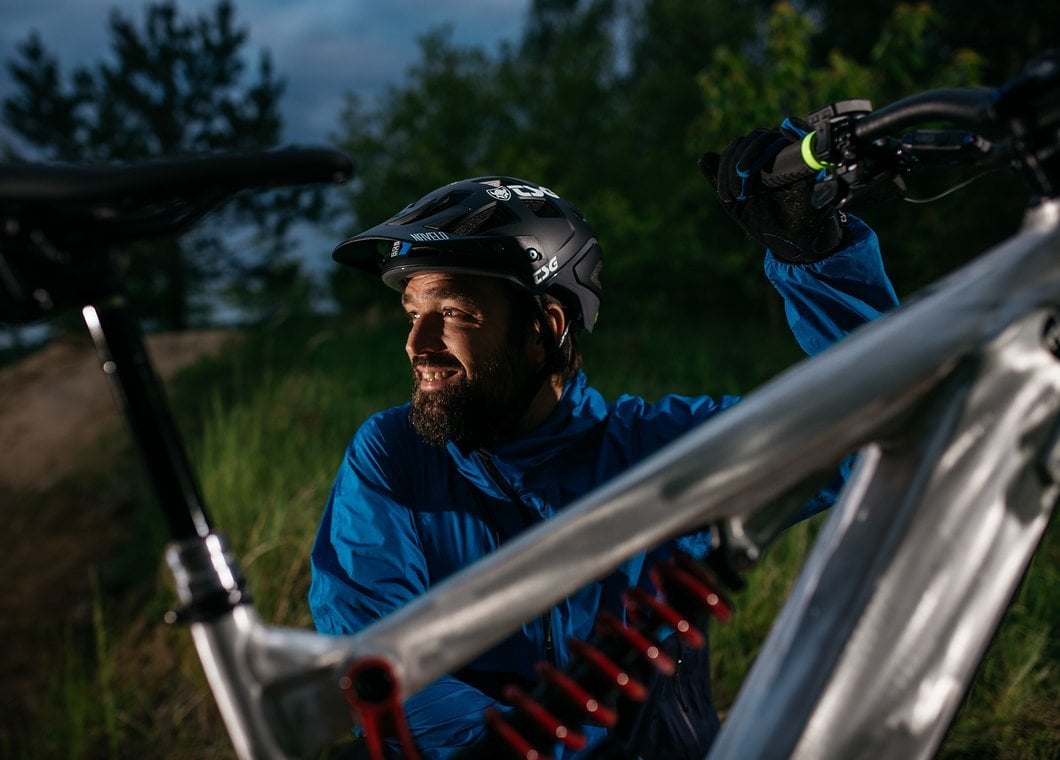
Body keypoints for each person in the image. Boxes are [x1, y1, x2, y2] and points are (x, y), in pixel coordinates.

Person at [308, 121, 900, 759]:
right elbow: (376, 658)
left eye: (454, 314)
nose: (417, 344)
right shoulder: (394, 454)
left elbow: (872, 424)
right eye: (413, 314)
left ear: (545, 326)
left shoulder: (663, 453)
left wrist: (814, 255)